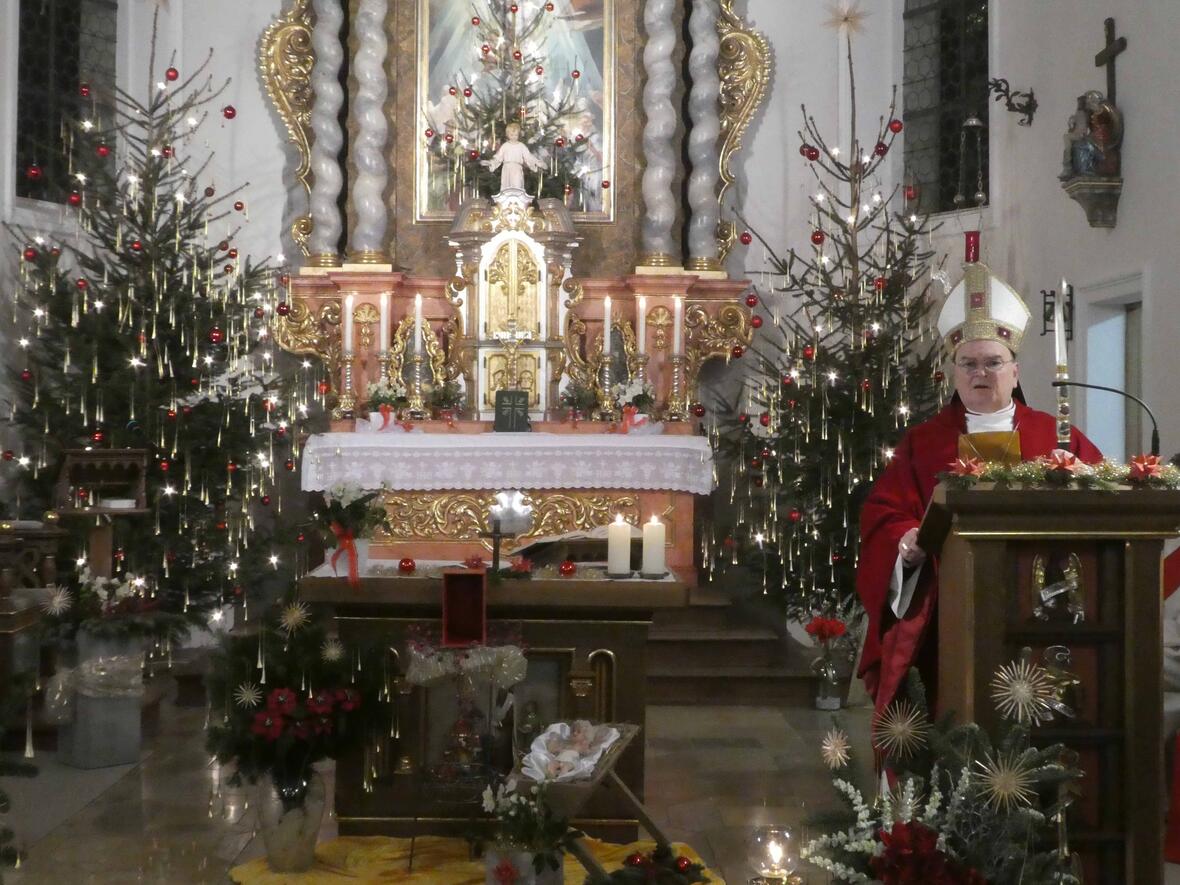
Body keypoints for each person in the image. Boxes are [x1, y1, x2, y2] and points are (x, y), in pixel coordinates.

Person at [856, 235, 1102, 713]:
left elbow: (1100, 498)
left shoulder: (1056, 436)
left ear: (1015, 370)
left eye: (993, 363)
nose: (980, 373)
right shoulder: (923, 442)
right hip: (949, 610)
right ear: (952, 372)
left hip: (1040, 604)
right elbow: (883, 513)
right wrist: (905, 541)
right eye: (968, 364)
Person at [483, 123, 544, 194]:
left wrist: (537, 162)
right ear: (507, 134)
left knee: (517, 186)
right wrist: (491, 162)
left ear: (518, 135)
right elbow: (498, 157)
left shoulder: (521, 146)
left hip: (517, 169)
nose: (514, 137)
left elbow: (528, 156)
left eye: (516, 135)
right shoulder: (505, 146)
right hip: (507, 169)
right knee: (506, 188)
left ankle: (518, 202)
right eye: (512, 135)